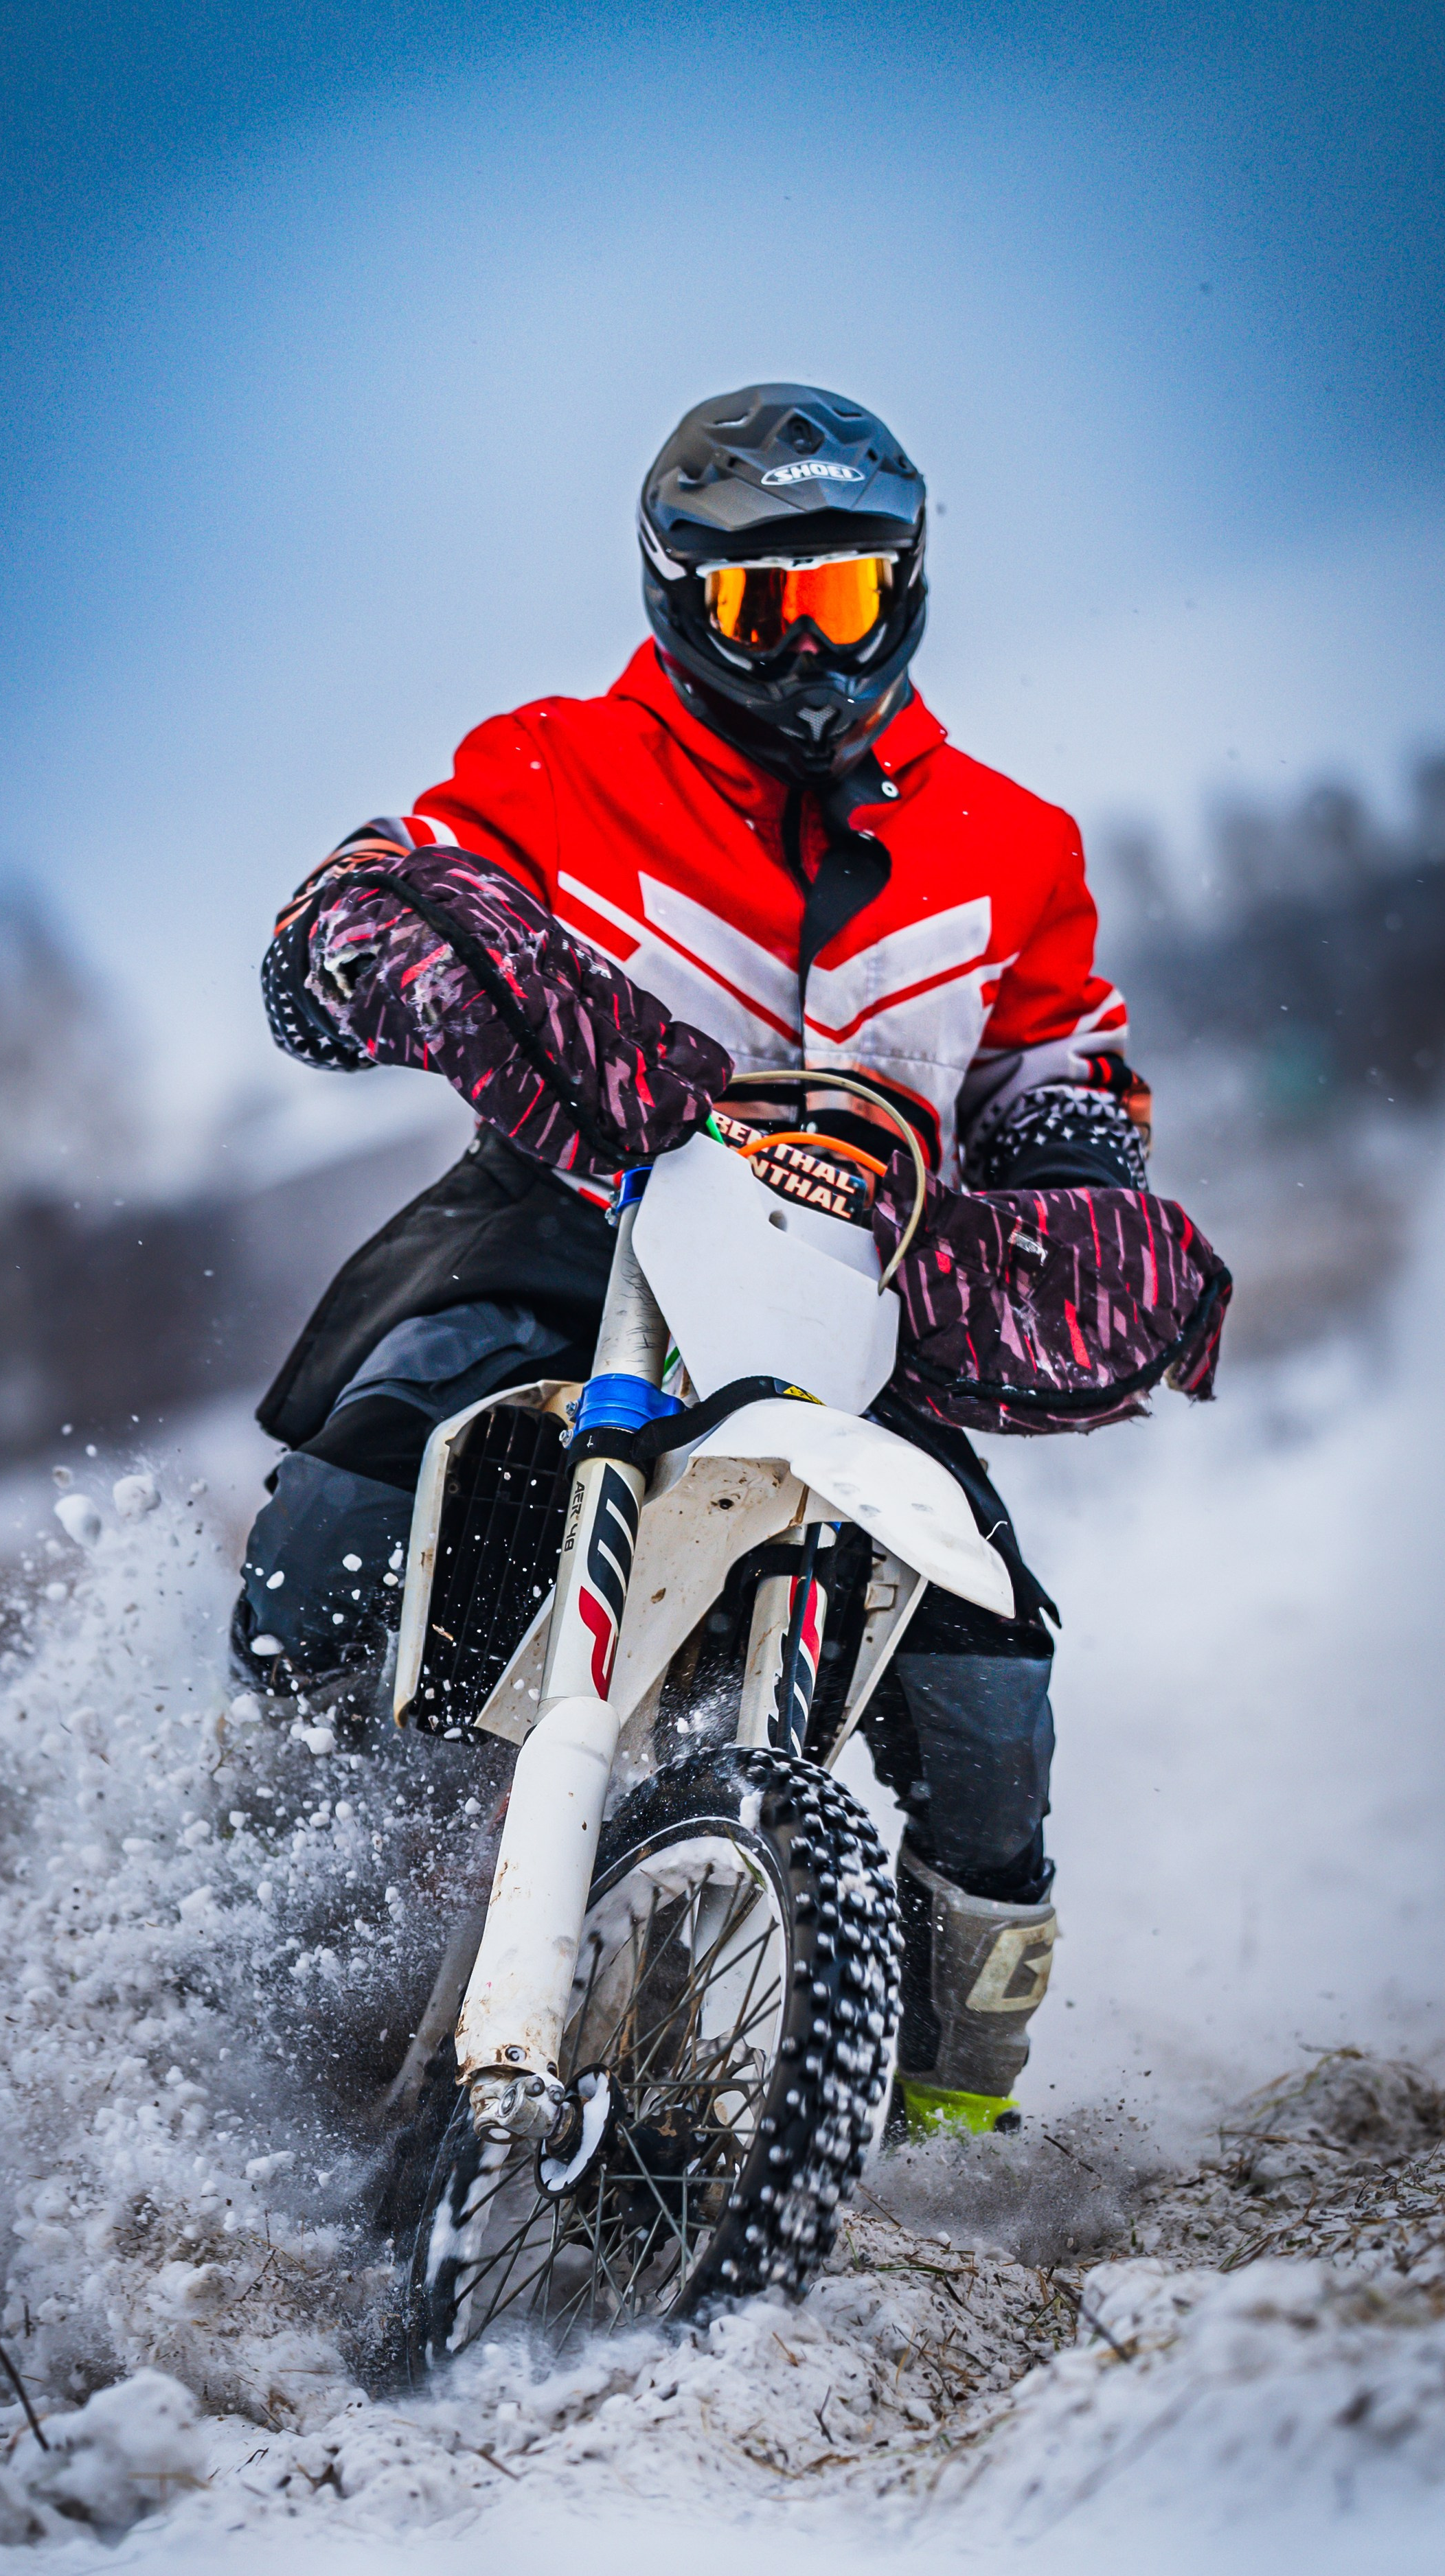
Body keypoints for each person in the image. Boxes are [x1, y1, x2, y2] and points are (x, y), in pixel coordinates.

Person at [238, 382, 1152, 2137]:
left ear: (908, 584)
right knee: (356, 1492)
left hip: (848, 1303)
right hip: (563, 1233)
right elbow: (345, 915)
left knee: (993, 1667)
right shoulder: (554, 764)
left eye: (842, 594)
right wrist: (398, 952)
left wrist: (1068, 1167)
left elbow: (1063, 1059)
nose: (808, 644)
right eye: (760, 603)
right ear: (677, 595)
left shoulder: (1011, 841)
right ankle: (262, 1889)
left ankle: (957, 2106)